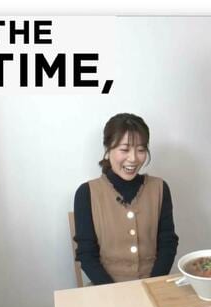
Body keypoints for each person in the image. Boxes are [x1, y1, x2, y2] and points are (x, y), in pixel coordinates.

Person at [73, 113, 178, 284]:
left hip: (154, 284)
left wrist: (152, 286)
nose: (133, 158)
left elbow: (168, 243)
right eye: (124, 149)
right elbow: (87, 254)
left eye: (141, 150)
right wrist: (115, 292)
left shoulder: (159, 188)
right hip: (105, 288)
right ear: (108, 150)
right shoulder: (86, 193)